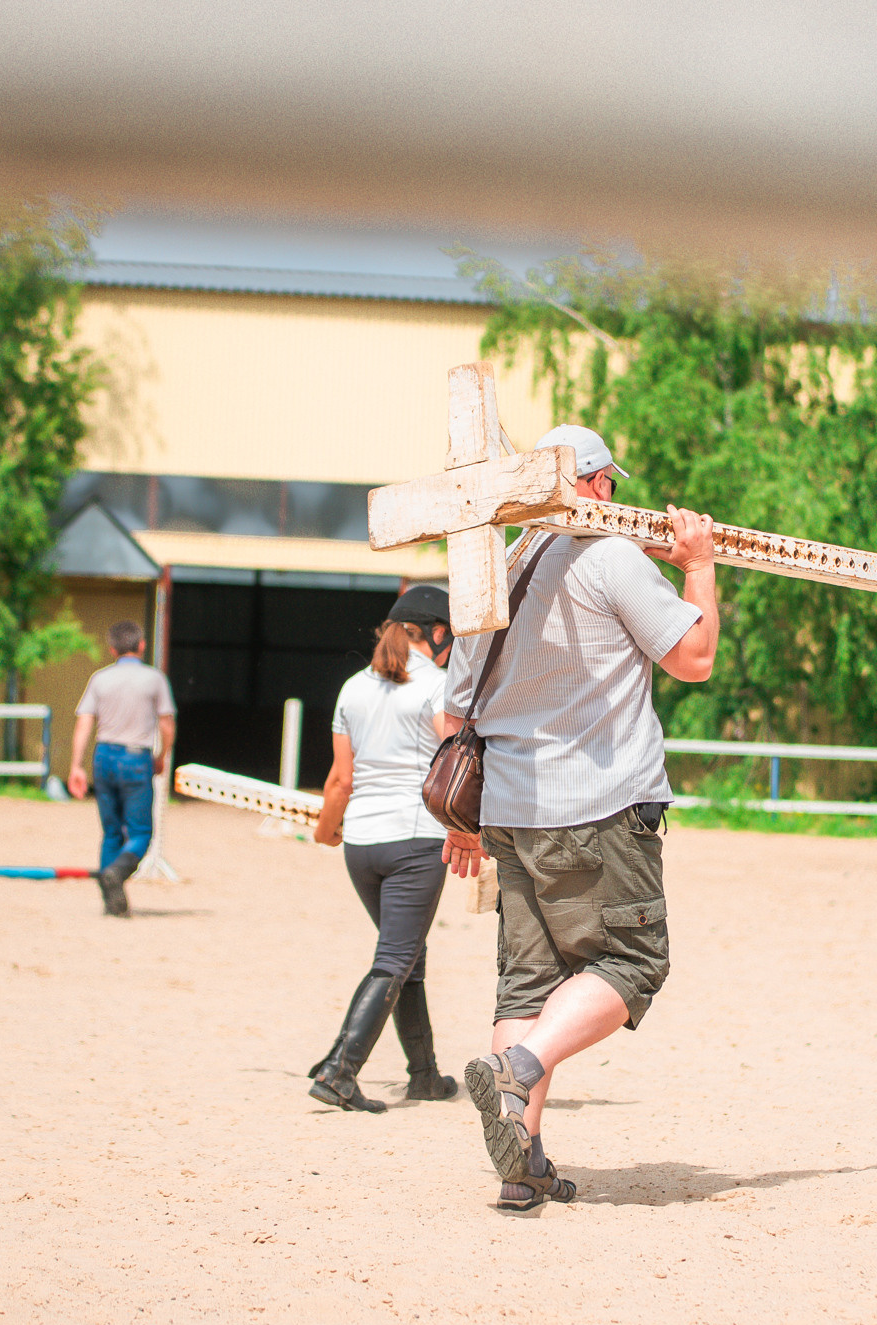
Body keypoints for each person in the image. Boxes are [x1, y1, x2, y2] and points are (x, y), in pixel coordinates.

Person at [439, 424, 717, 1211]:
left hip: (511, 813)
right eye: (611, 487)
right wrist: (698, 568)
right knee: (634, 963)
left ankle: (520, 1168)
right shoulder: (610, 558)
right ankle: (517, 1069)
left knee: (526, 984)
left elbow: (453, 709)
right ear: (592, 484)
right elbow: (693, 659)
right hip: (601, 807)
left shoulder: (493, 569)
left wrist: (463, 824)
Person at [303, 584, 464, 1112]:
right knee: (395, 957)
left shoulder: (352, 688)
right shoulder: (439, 686)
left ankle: (425, 1075)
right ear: (438, 633)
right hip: (415, 841)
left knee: (405, 956)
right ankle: (340, 1069)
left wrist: (327, 830)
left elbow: (339, 781)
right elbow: (454, 767)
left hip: (362, 846)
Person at [67, 619, 178, 918]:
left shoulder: (99, 679)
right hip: (136, 757)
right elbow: (167, 724)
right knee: (142, 832)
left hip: (104, 755)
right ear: (141, 645)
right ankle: (117, 872)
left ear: (112, 648)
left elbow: (84, 722)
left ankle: (111, 901)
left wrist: (76, 765)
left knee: (111, 832)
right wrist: (162, 754)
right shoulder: (154, 679)